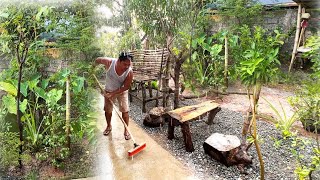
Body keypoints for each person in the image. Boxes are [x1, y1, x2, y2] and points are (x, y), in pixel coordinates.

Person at [95, 52, 133, 140]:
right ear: (119, 61)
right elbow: (98, 60)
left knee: (125, 111)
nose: (127, 67)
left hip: (122, 91)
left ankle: (126, 130)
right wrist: (92, 67)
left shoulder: (129, 72)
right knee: (108, 110)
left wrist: (114, 93)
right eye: (125, 64)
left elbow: (126, 86)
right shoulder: (109, 62)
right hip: (109, 90)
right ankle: (108, 126)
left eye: (129, 64)